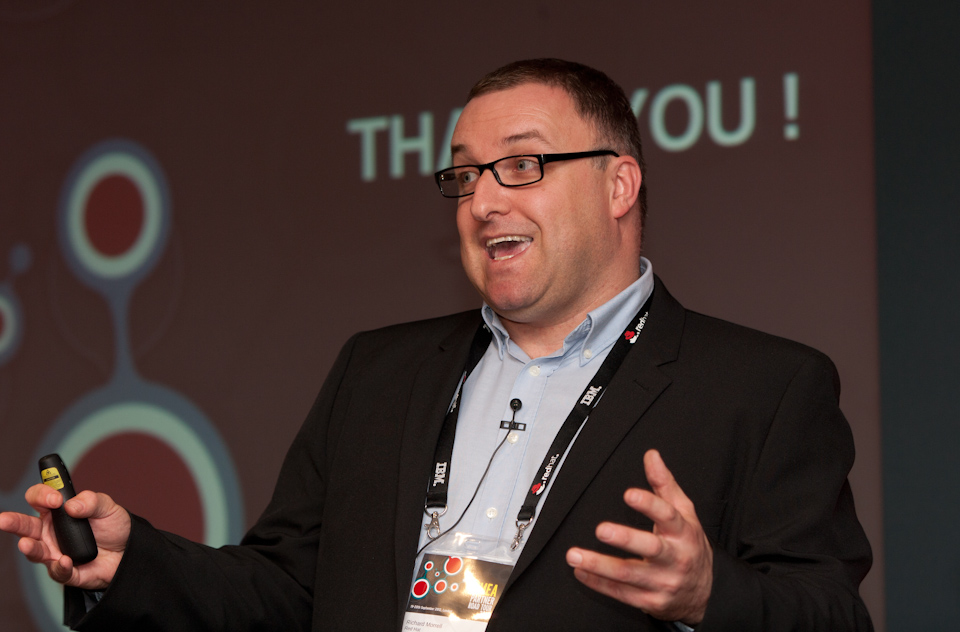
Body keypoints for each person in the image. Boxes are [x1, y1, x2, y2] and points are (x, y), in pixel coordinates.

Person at [0, 59, 873, 631]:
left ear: (619, 185)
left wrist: (711, 595)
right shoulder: (377, 373)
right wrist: (134, 563)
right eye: (464, 175)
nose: (483, 202)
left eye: (522, 165)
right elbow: (285, 589)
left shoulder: (763, 387)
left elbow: (831, 615)